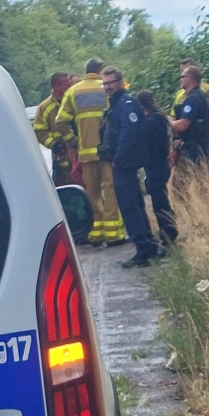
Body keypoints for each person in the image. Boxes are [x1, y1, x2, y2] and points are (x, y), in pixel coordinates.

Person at [57, 58, 124, 245]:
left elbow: (60, 122)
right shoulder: (106, 89)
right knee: (110, 190)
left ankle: (96, 233)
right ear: (100, 69)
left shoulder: (73, 91)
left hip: (86, 153)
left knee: (92, 193)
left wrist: (74, 142)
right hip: (108, 151)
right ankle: (113, 234)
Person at [101, 68, 162, 268]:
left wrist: (118, 159)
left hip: (124, 163)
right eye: (105, 83)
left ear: (121, 82)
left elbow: (129, 134)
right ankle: (149, 246)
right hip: (124, 162)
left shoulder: (125, 104)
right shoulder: (117, 104)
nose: (107, 87)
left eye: (110, 82)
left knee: (129, 206)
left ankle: (143, 251)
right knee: (135, 203)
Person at [136, 89, 177, 246]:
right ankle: (168, 231)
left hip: (156, 165)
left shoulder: (151, 121)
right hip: (162, 163)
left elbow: (145, 143)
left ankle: (168, 233)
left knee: (160, 202)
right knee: (161, 199)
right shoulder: (160, 118)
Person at [32, 72, 78, 186]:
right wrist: (54, 145)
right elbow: (39, 131)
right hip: (62, 160)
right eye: (67, 84)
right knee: (66, 190)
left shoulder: (75, 100)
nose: (71, 86)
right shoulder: (45, 107)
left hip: (81, 157)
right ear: (57, 87)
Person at [170, 59, 209, 141]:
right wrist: (176, 138)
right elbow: (174, 116)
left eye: (184, 74)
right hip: (186, 142)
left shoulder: (207, 91)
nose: (180, 78)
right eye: (181, 72)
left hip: (199, 142)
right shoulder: (180, 93)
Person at [169, 65, 209, 168]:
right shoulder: (205, 96)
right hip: (206, 146)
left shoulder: (192, 99)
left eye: (182, 76)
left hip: (193, 149)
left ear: (190, 78)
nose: (180, 79)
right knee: (204, 177)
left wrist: (168, 121)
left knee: (182, 178)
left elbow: (182, 125)